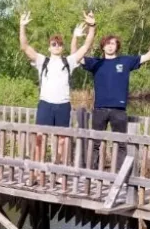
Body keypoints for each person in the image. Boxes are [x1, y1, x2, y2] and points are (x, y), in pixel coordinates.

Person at [73, 25, 150, 170]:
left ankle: (119, 174)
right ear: (103, 47)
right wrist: (76, 38)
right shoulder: (96, 63)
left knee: (121, 143)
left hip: (119, 110)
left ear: (117, 46)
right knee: (95, 142)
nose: (110, 46)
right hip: (100, 109)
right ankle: (91, 172)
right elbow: (75, 56)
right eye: (107, 43)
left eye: (113, 43)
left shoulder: (125, 61)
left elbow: (149, 56)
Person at [20, 11, 96, 166]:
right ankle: (37, 170)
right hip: (45, 104)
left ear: (63, 47)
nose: (57, 46)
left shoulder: (69, 61)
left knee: (62, 140)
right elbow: (24, 47)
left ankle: (59, 170)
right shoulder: (43, 61)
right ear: (49, 47)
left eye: (59, 44)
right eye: (54, 44)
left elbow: (86, 46)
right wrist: (22, 26)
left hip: (63, 104)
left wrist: (92, 26)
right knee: (40, 139)